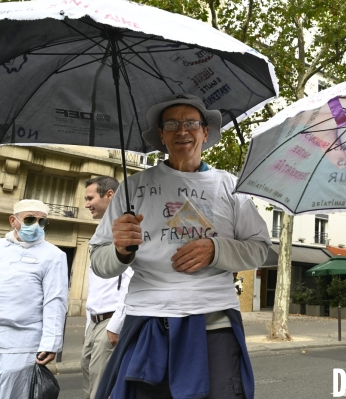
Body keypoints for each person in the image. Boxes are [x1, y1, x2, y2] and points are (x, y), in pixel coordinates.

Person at [90, 93, 271, 399]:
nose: (182, 131)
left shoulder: (230, 186)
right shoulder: (132, 188)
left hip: (214, 323)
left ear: (205, 132)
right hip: (147, 320)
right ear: (161, 134)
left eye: (191, 123)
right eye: (171, 124)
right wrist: (121, 250)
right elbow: (98, 261)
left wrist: (217, 251)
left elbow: (260, 248)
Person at [0, 199, 68, 398]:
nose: (36, 225)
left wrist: (51, 343)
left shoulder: (54, 255)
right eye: (29, 219)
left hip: (21, 344)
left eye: (42, 221)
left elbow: (55, 301)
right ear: (13, 221)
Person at [81, 176, 133, 399]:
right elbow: (96, 287)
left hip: (110, 322)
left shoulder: (124, 230)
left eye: (90, 198)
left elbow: (131, 280)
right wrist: (87, 327)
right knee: (89, 385)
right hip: (94, 323)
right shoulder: (100, 232)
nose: (86, 204)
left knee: (101, 391)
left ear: (109, 195)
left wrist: (116, 326)